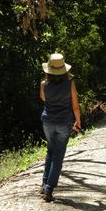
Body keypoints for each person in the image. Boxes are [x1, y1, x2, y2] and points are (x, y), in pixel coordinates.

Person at [40, 53, 81, 201]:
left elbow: (44, 98)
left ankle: (44, 182)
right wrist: (78, 121)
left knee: (50, 150)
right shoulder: (70, 83)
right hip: (64, 122)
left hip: (48, 121)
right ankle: (49, 189)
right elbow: (75, 105)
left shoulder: (44, 84)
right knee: (58, 156)